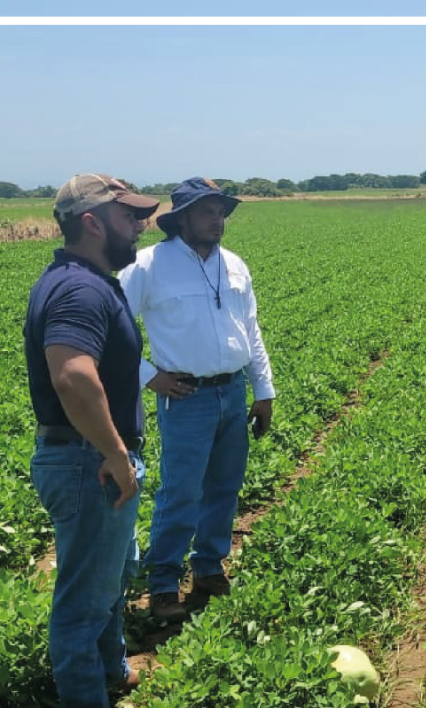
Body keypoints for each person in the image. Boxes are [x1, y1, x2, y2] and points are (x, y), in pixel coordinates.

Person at [23, 174, 159, 708]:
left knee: (108, 578)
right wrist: (115, 451)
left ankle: (112, 672)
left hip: (91, 458)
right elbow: (74, 376)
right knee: (82, 600)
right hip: (89, 462)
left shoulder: (86, 280)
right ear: (91, 222)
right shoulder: (80, 289)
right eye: (128, 216)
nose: (140, 224)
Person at [119, 177, 275, 622]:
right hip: (185, 396)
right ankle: (164, 580)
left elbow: (251, 331)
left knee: (225, 486)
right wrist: (149, 377)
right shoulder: (148, 265)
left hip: (232, 391)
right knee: (181, 491)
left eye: (222, 212)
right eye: (208, 211)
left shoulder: (235, 266)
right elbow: (114, 328)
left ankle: (208, 566)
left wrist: (263, 391)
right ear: (182, 217)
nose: (218, 220)